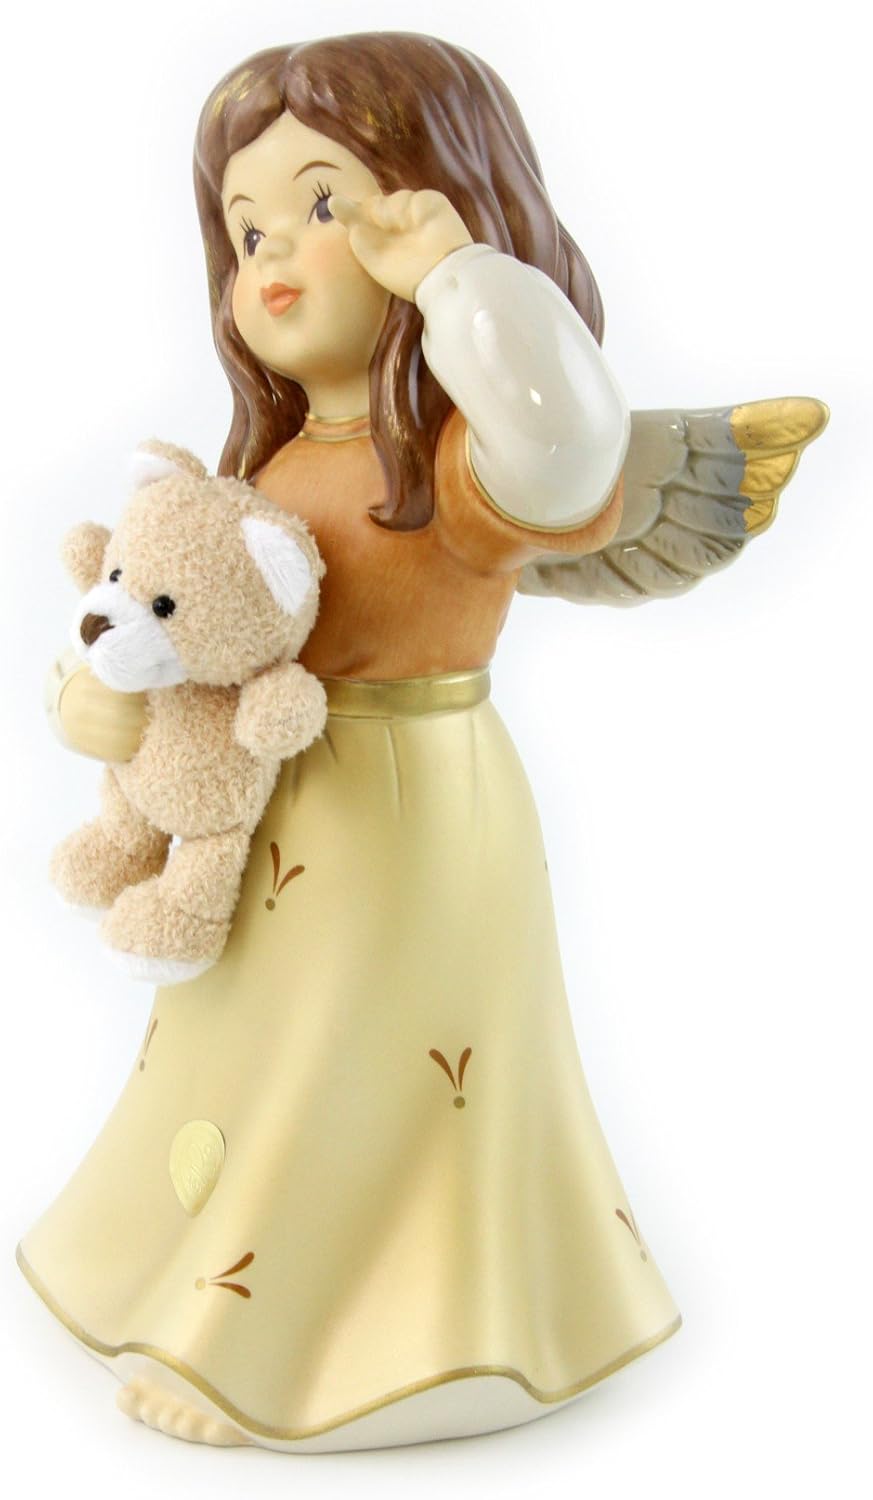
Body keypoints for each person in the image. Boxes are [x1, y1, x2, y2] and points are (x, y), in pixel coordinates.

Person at [17, 34, 687, 1451]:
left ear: (444, 198)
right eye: (245, 224)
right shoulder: (262, 459)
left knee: (371, 1054)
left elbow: (571, 444)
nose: (271, 253)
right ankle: (199, 1278)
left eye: (324, 204)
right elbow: (190, 632)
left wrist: (456, 282)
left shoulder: (452, 463)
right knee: (238, 1044)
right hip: (269, 803)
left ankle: (315, 1340)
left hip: (403, 808)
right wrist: (107, 709)